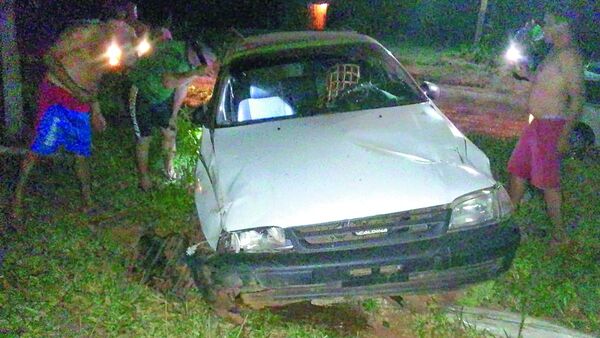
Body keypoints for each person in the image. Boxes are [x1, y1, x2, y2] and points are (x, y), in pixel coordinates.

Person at [10, 19, 138, 226]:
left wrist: (96, 110)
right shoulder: (83, 33)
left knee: (82, 151)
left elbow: (94, 78)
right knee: (39, 147)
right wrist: (74, 88)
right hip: (57, 94)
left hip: (81, 103)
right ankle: (16, 199)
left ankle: (88, 202)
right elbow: (50, 58)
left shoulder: (111, 50)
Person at [507, 8, 584, 244]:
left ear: (561, 27)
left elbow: (577, 99)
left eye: (548, 24)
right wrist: (526, 75)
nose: (543, 30)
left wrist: (564, 135)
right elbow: (545, 85)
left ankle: (560, 236)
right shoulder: (554, 52)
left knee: (547, 183)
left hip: (551, 127)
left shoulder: (569, 56)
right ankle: (507, 220)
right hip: (537, 125)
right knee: (518, 170)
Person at [127, 32, 215, 190]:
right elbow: (168, 82)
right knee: (144, 139)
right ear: (197, 54)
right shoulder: (172, 53)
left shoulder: (193, 64)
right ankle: (144, 178)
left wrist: (174, 115)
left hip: (162, 97)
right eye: (209, 62)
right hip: (142, 93)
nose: (209, 68)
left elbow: (182, 86)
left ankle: (169, 171)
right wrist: (194, 73)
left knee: (169, 132)